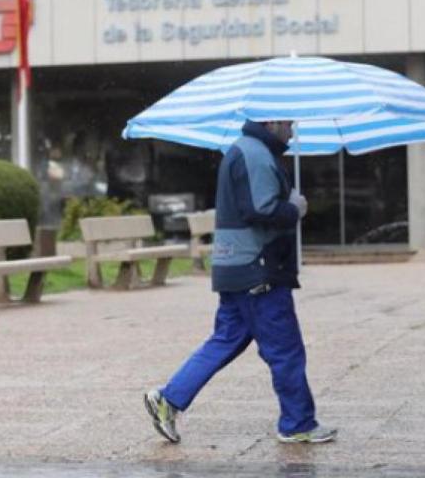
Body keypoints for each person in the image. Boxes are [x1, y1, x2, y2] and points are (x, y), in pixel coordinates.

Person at [143, 120, 337, 445]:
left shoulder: (247, 150)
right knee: (285, 349)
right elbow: (259, 210)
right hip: (258, 268)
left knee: (225, 340)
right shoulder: (255, 153)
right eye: (288, 122)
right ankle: (298, 423)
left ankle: (169, 398)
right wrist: (294, 208)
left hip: (237, 266)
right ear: (271, 121)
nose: (292, 130)